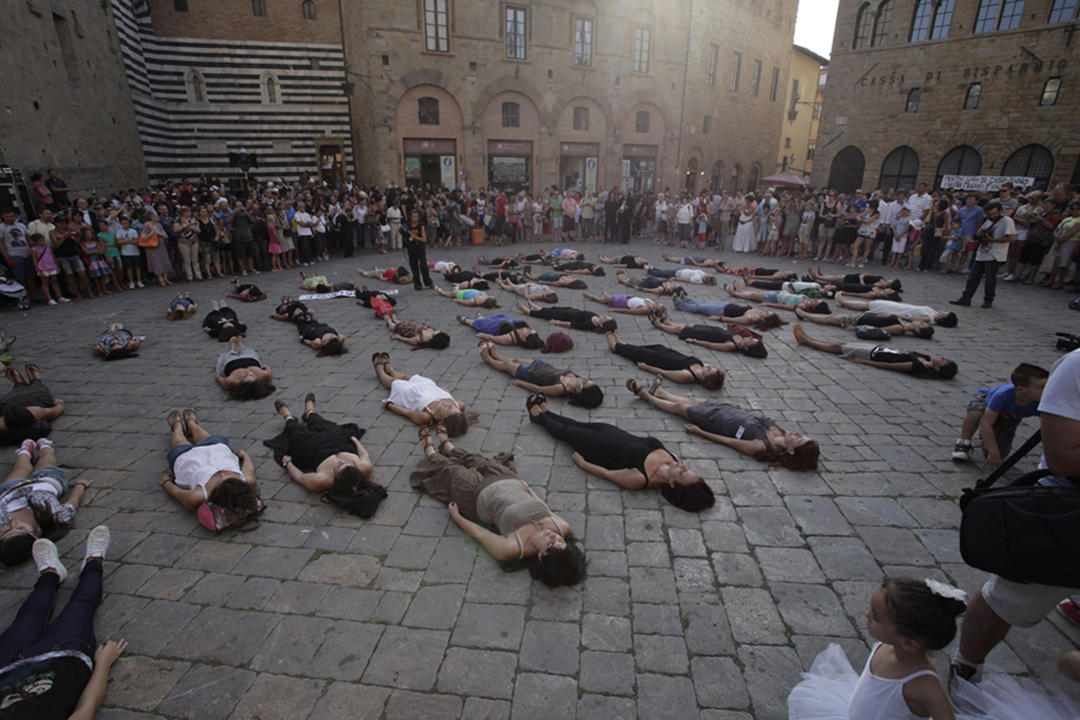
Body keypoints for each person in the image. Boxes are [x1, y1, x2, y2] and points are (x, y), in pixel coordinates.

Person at [953, 348, 1080, 687]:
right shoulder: (1076, 366)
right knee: (1007, 601)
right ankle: (966, 666)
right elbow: (1062, 458)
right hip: (1070, 511)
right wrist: (989, 450)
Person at [409, 423, 585, 587]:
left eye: (550, 543)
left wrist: (456, 516)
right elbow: (545, 508)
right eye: (560, 540)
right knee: (477, 460)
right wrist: (528, 489)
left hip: (476, 495)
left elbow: (480, 533)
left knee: (453, 471)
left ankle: (430, 451)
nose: (552, 535)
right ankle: (448, 446)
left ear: (540, 557)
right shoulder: (562, 527)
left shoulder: (513, 548)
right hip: (508, 481)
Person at [788, 578, 964, 720]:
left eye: (877, 617)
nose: (867, 615)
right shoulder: (886, 647)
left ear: (909, 643)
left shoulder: (925, 686)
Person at [0, 527, 127, 720]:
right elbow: (87, 707)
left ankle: (50, 574)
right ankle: (94, 562)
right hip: (62, 660)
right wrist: (104, 663)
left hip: (4, 665)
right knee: (80, 606)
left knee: (29, 616)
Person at [527, 393, 714, 512]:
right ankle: (548, 412)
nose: (681, 465)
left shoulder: (642, 479)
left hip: (596, 447)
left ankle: (539, 416)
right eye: (687, 468)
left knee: (566, 432)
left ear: (673, 484)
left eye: (682, 472)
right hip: (612, 432)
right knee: (576, 423)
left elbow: (608, 474)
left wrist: (583, 464)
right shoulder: (672, 459)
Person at [627, 379, 817, 470]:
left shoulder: (761, 446)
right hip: (728, 409)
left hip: (715, 421)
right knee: (691, 399)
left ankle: (646, 396)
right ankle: (661, 392)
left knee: (679, 407)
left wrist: (702, 432)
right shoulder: (780, 432)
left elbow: (729, 442)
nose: (797, 432)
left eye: (799, 439)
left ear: (791, 451)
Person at [264, 395, 380, 495]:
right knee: (323, 424)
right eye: (348, 464)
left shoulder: (321, 480)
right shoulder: (365, 468)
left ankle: (288, 417)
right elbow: (364, 454)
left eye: (338, 468)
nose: (341, 462)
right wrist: (355, 440)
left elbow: (300, 477)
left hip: (309, 446)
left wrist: (287, 462)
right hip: (336, 439)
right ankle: (310, 412)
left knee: (295, 432)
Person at [0, 437, 88, 565]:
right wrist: (80, 485)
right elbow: (72, 503)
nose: (13, 524)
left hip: (9, 489)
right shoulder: (55, 517)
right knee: (46, 462)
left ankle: (25, 453)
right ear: (35, 534)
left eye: (7, 530)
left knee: (20, 469)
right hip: (45, 481)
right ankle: (46, 447)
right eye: (20, 528)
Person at [159, 409, 261, 514]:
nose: (222, 475)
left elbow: (177, 493)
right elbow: (248, 469)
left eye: (220, 481)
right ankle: (192, 425)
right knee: (205, 437)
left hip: (187, 457)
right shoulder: (248, 480)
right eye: (229, 477)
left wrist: (166, 483)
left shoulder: (199, 496)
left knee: (179, 442)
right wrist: (245, 456)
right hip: (215, 449)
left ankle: (177, 428)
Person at [950, 363, 1048, 468]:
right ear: (1021, 389)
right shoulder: (1002, 395)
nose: (1047, 390)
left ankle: (986, 436)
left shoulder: (1043, 402)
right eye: (1041, 387)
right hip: (987, 403)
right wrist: (993, 451)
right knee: (976, 411)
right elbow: (985, 423)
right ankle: (964, 443)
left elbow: (1050, 428)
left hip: (1008, 418)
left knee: (1000, 454)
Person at [793, 324, 957, 379]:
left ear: (938, 369)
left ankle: (806, 340)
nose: (941, 357)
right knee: (841, 344)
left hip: (873, 355)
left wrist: (865, 362)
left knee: (838, 348)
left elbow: (888, 365)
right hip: (877, 348)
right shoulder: (925, 357)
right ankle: (809, 338)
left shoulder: (918, 367)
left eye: (943, 361)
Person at [372, 352, 473, 436]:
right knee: (407, 377)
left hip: (410, 393)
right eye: (455, 408)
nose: (450, 405)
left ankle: (380, 371)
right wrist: (448, 394)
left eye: (448, 409)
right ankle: (390, 369)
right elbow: (453, 402)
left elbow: (406, 413)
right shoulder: (460, 406)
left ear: (442, 419)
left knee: (393, 382)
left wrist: (389, 405)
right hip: (428, 387)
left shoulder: (427, 417)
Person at [478, 342, 603, 407]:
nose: (584, 378)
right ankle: (496, 355)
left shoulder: (561, 389)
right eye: (587, 379)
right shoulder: (576, 377)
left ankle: (488, 359)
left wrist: (521, 382)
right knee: (515, 359)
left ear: (578, 391)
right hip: (542, 365)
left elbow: (538, 389)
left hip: (529, 374)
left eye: (584, 382)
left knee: (506, 366)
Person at [605, 329, 725, 390]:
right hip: (668, 352)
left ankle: (614, 346)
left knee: (638, 353)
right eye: (712, 367)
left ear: (704, 378)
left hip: (658, 360)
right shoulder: (701, 366)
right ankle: (622, 344)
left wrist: (646, 367)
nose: (709, 366)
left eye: (710, 370)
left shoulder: (688, 376)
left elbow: (665, 373)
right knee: (643, 348)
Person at [950, 201, 1015, 309]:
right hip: (982, 252)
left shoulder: (1006, 221)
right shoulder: (989, 221)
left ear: (1000, 211)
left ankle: (988, 300)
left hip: (995, 254)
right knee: (973, 277)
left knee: (990, 279)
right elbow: (981, 231)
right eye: (989, 214)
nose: (992, 216)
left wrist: (992, 239)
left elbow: (1011, 238)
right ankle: (966, 298)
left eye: (994, 214)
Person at [646, 312, 768, 357]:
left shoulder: (731, 346)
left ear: (747, 348)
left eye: (751, 341)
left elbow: (711, 345)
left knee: (680, 329)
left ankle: (661, 325)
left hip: (705, 335)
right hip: (711, 329)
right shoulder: (741, 338)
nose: (750, 337)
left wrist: (694, 341)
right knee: (687, 325)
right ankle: (668, 322)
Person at [0, 364, 62, 447]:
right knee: (39, 390)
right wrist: (58, 402)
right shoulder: (38, 412)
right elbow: (57, 409)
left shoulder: (37, 412)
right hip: (35, 398)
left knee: (15, 394)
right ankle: (35, 380)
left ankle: (19, 384)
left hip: (12, 401)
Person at [793, 305, 935, 339]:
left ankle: (804, 314)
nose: (920, 322)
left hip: (861, 321)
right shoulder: (903, 322)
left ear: (918, 330)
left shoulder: (899, 328)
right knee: (834, 317)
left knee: (830, 319)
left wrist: (855, 328)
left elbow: (877, 329)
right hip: (863, 317)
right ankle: (807, 314)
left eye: (922, 325)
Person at [834, 293, 959, 327]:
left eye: (946, 313)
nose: (944, 311)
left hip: (898, 310)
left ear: (944, 318)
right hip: (902, 306)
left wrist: (890, 315)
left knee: (870, 306)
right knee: (872, 304)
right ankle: (848, 302)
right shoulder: (934, 312)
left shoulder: (928, 318)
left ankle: (844, 302)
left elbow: (909, 318)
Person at [673, 294, 786, 330]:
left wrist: (718, 318)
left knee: (700, 307)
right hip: (727, 305)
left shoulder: (750, 318)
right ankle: (686, 300)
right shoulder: (756, 313)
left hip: (722, 311)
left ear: (763, 319)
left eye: (767, 313)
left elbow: (733, 320)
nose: (765, 311)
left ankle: (680, 305)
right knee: (704, 302)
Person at [215, 336, 276, 401]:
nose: (247, 372)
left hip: (231, 363)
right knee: (247, 351)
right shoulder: (264, 375)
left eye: (244, 376)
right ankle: (241, 346)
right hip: (250, 359)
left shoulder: (231, 381)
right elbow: (268, 369)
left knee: (228, 355)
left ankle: (231, 349)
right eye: (251, 375)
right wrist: (264, 366)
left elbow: (219, 378)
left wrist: (218, 374)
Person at [514, 300, 617, 333]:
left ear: (602, 325)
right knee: (553, 308)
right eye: (608, 317)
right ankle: (537, 307)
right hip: (571, 310)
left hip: (564, 316)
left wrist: (557, 322)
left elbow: (571, 324)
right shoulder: (597, 317)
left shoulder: (588, 324)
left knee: (547, 314)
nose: (605, 316)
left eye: (606, 319)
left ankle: (528, 312)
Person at [723, 282, 831, 314]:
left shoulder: (801, 306)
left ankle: (735, 294)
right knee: (757, 293)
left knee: (754, 296)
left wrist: (769, 304)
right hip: (780, 293)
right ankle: (742, 292)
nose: (815, 300)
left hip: (776, 299)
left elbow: (783, 306)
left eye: (816, 302)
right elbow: (793, 293)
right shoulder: (806, 298)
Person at [456, 314, 544, 348]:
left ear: (524, 339)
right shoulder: (531, 335)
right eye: (531, 330)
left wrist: (482, 335)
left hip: (493, 326)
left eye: (528, 332)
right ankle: (480, 317)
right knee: (483, 319)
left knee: (478, 323)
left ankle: (465, 320)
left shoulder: (509, 339)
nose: (529, 329)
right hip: (504, 319)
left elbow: (493, 338)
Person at [382, 314, 451, 350]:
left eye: (439, 332)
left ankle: (388, 320)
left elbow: (407, 340)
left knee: (392, 326)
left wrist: (398, 337)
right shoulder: (432, 330)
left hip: (404, 329)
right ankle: (394, 319)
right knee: (398, 321)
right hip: (411, 324)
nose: (438, 330)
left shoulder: (420, 339)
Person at [403, 210, 433, 290]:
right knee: (413, 266)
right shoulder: (408, 225)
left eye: (417, 216)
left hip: (419, 247)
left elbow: (424, 239)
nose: (415, 218)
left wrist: (413, 235)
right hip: (411, 247)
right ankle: (417, 283)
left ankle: (427, 281)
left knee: (423, 266)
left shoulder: (421, 225)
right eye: (413, 216)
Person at [582, 290, 665, 316]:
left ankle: (594, 297)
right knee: (610, 297)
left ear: (654, 310)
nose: (656, 302)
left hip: (622, 302)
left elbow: (628, 311)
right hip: (628, 297)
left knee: (607, 300)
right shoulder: (651, 304)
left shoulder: (644, 309)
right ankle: (606, 295)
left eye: (657, 304)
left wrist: (614, 310)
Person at [494, 275, 558, 303]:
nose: (550, 289)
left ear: (546, 296)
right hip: (529, 285)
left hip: (524, 289)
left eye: (550, 291)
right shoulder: (546, 290)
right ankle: (507, 282)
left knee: (512, 288)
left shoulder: (538, 295)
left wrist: (526, 286)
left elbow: (526, 296)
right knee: (513, 287)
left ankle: (502, 284)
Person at [432, 283, 500, 308]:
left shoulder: (477, 301)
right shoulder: (484, 296)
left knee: (451, 294)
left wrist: (458, 300)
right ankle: (457, 286)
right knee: (455, 291)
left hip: (462, 295)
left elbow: (467, 302)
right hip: (469, 291)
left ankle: (440, 291)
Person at [646, 267, 718, 285]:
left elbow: (687, 280)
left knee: (663, 273)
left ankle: (650, 270)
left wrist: (676, 278)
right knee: (665, 271)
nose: (708, 273)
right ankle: (653, 268)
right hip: (681, 271)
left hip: (678, 274)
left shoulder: (698, 279)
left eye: (709, 274)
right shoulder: (702, 274)